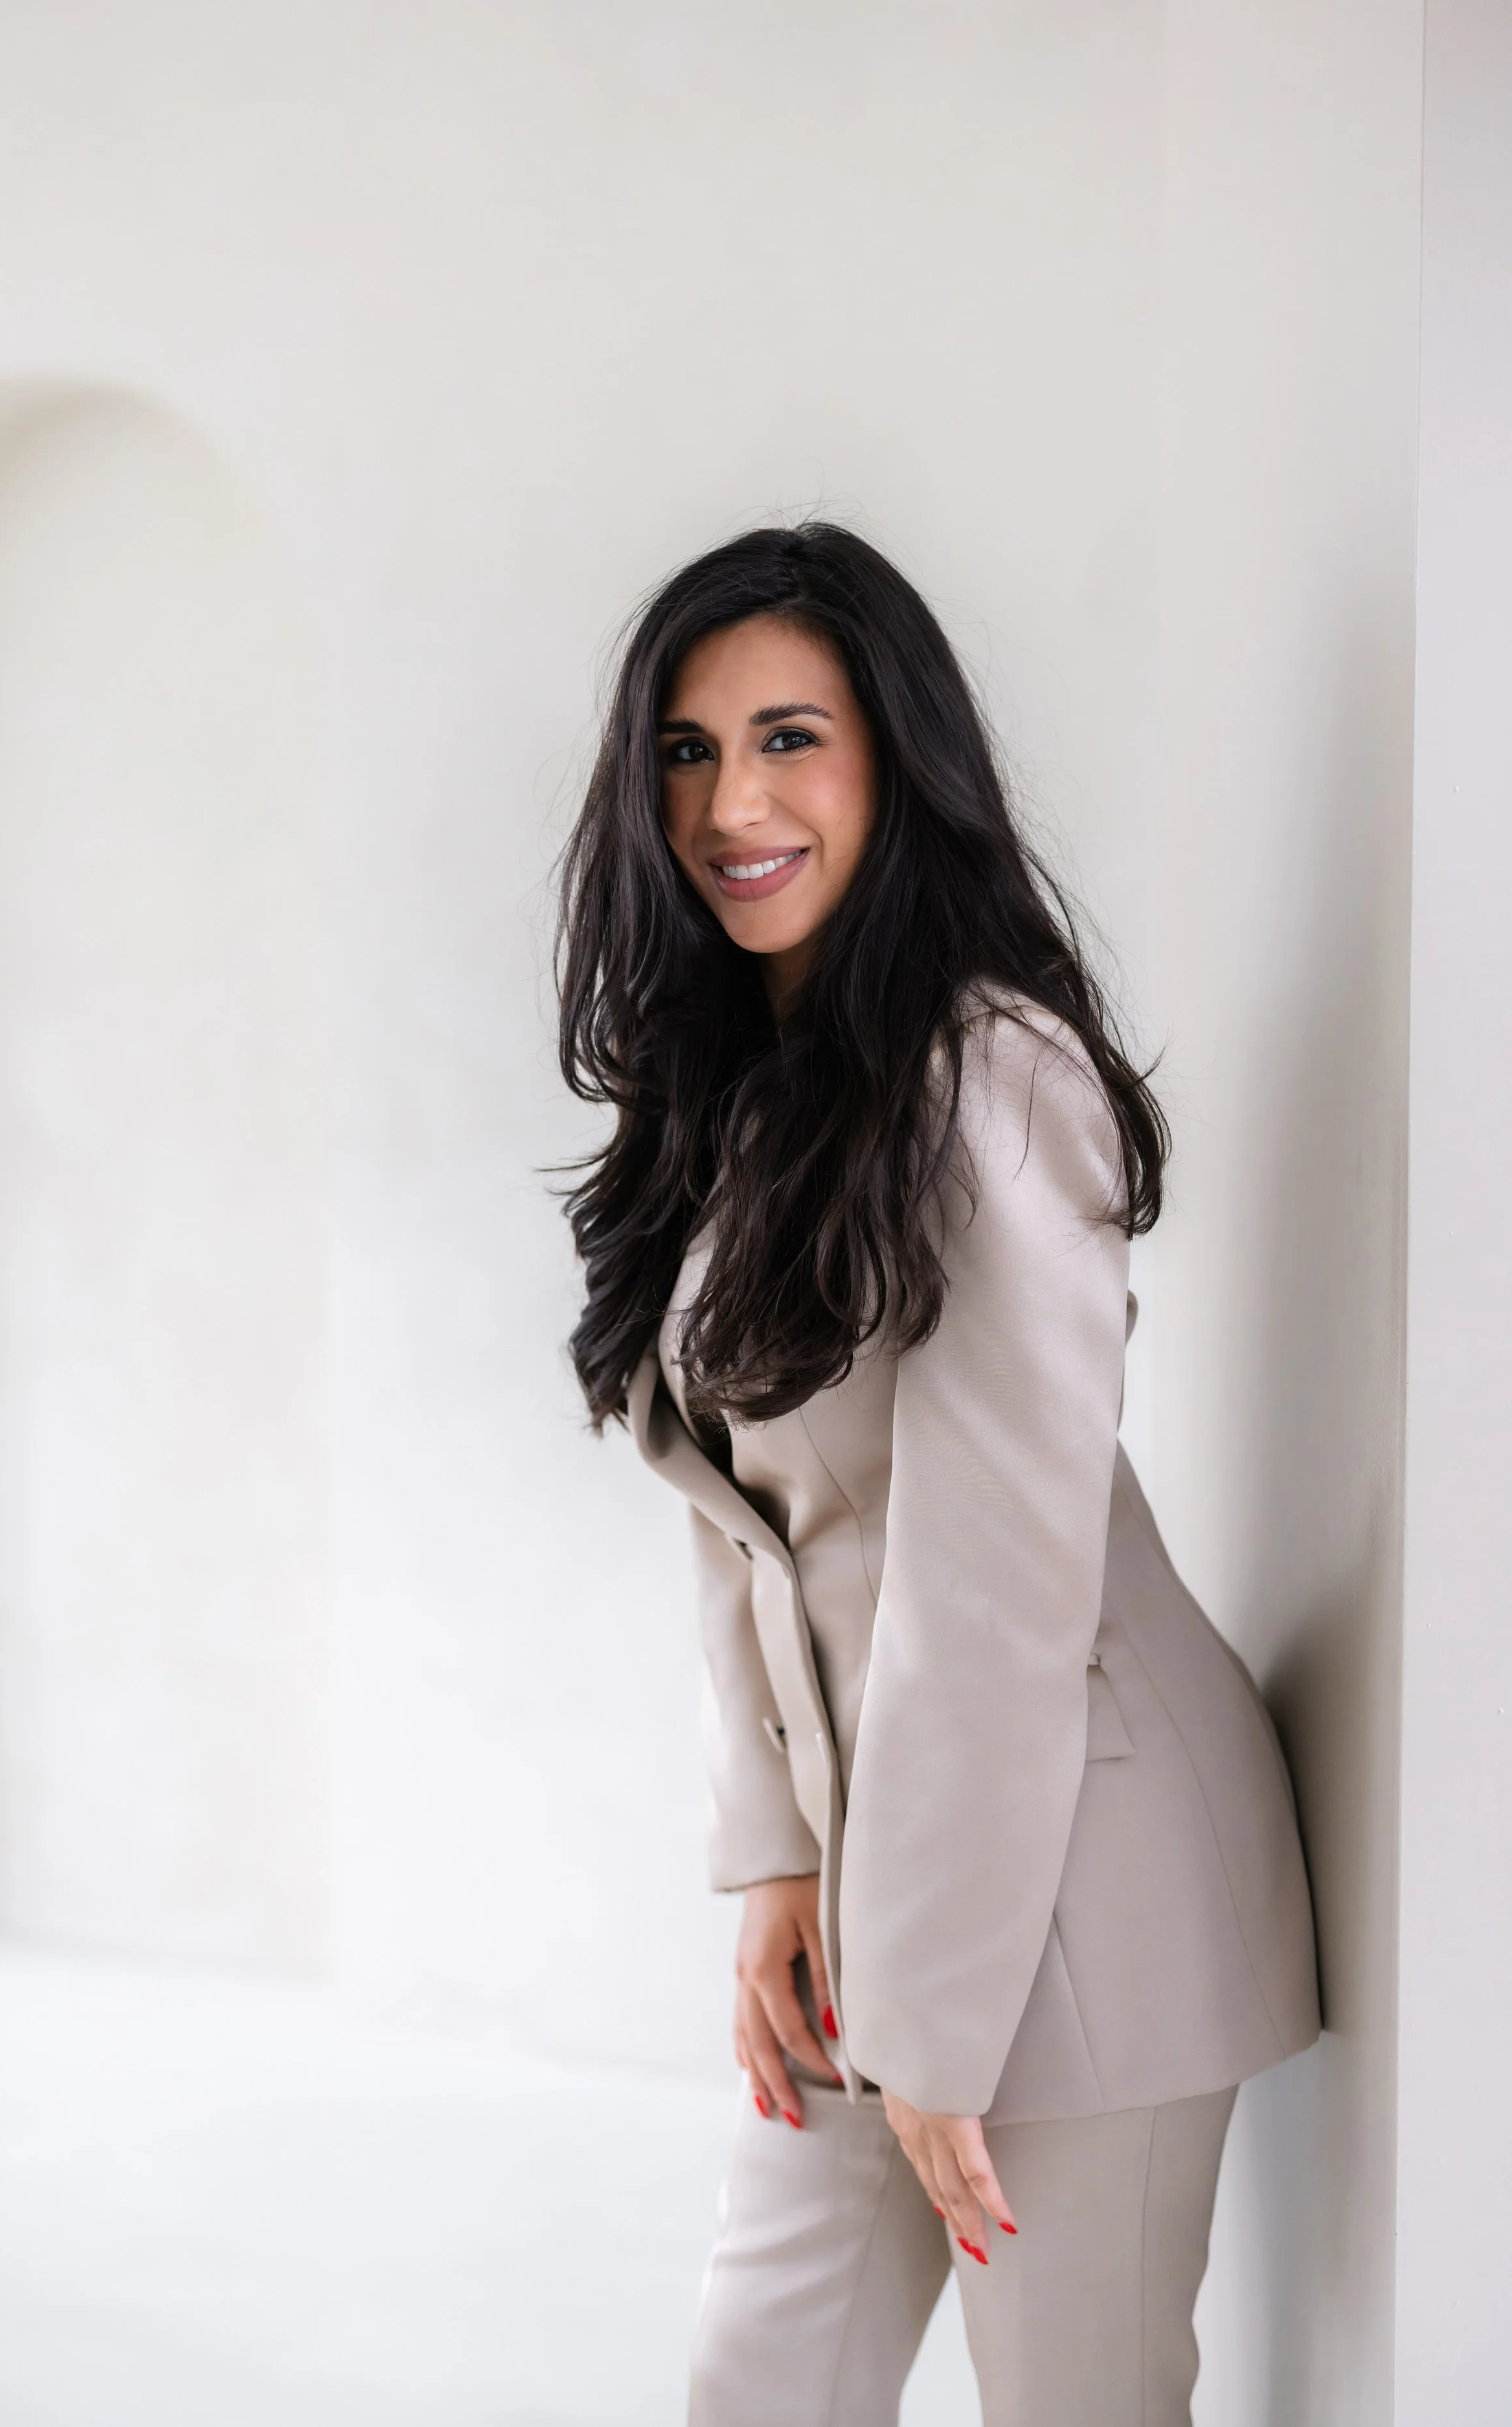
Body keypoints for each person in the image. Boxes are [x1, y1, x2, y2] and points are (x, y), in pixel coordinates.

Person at [555, 523, 1318, 2427]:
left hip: (1075, 1890)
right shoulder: (746, 1091)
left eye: (788, 735)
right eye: (686, 749)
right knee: (764, 2381)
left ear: (899, 759)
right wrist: (778, 1860)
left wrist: (934, 2016)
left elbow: (992, 1599)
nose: (731, 799)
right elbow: (746, 1525)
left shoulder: (990, 1079)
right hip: (882, 1895)